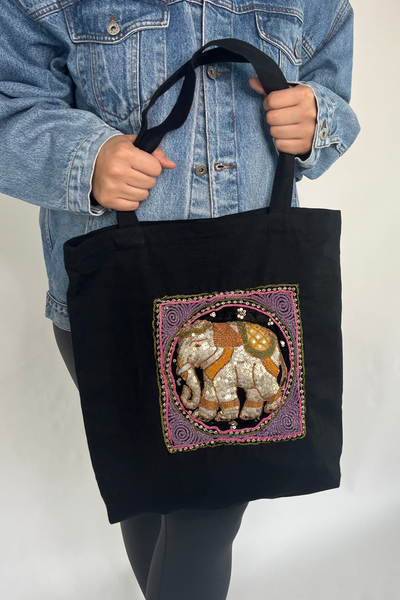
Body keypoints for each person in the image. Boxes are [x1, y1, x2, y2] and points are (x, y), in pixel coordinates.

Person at [0, 1, 360, 599]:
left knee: (200, 505)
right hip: (114, 303)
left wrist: (318, 117)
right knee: (152, 488)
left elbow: (332, 87)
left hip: (256, 298)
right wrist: (86, 160)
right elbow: (11, 102)